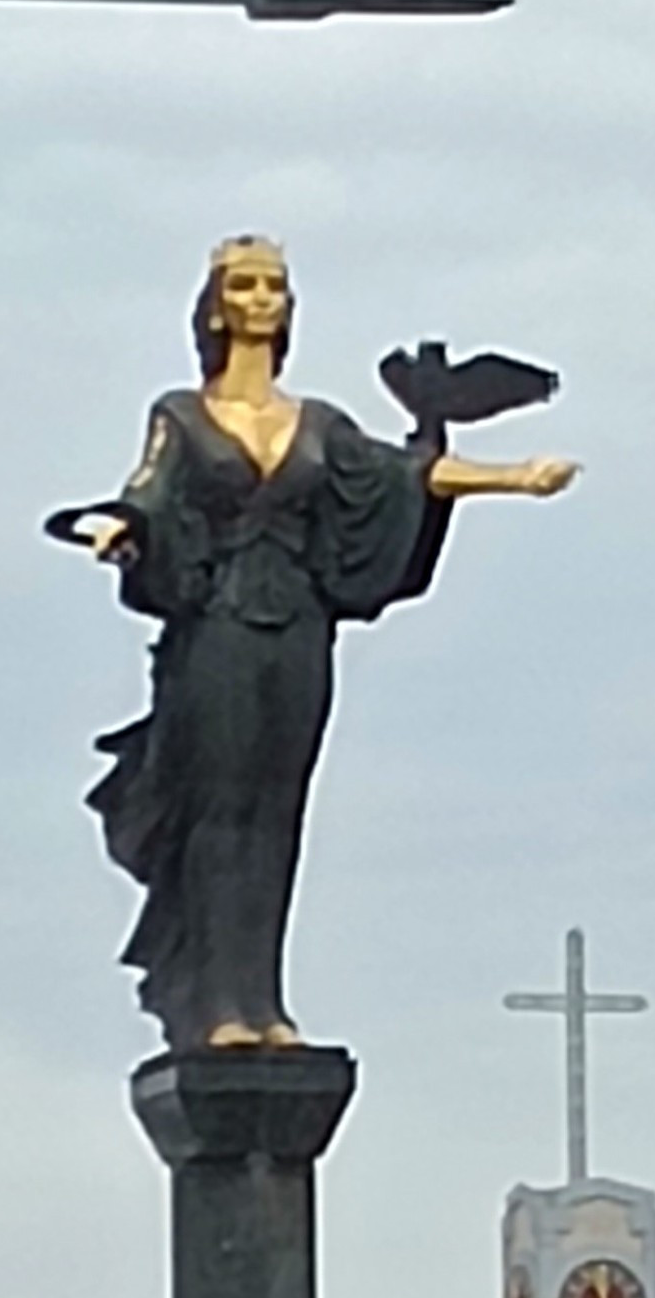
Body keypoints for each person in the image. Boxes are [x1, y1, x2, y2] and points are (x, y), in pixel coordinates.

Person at [67, 236, 576, 1052]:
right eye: (245, 285)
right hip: (219, 630)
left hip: (298, 630)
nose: (262, 298)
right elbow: (150, 488)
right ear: (217, 305)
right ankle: (216, 1003)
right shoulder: (183, 414)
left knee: (277, 814)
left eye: (274, 286)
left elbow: (405, 474)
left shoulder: (318, 425)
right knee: (221, 810)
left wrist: (514, 477)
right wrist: (120, 529)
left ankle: (265, 1004)